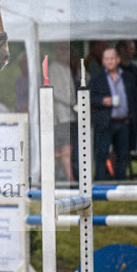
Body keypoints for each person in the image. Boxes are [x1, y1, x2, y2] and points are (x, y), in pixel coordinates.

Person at [90, 47, 131, 181]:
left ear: (118, 60)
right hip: (105, 122)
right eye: (107, 59)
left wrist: (132, 116)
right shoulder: (97, 79)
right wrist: (103, 101)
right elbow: (88, 98)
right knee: (101, 155)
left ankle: (121, 184)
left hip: (123, 122)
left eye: (112, 58)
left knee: (122, 155)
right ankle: (100, 184)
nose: (110, 61)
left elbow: (134, 98)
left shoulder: (127, 77)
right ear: (103, 61)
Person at [50, 42, 78, 181]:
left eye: (67, 49)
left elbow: (71, 91)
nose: (64, 52)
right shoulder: (53, 68)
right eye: (61, 48)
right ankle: (67, 182)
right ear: (55, 50)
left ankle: (68, 181)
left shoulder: (67, 68)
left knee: (66, 152)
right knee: (59, 153)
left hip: (70, 116)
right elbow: (55, 92)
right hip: (60, 117)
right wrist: (73, 103)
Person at [115, 40, 137, 154]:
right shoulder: (114, 68)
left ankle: (126, 161)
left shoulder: (134, 69)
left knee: (130, 142)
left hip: (132, 110)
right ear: (122, 50)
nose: (133, 52)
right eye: (131, 49)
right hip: (118, 112)